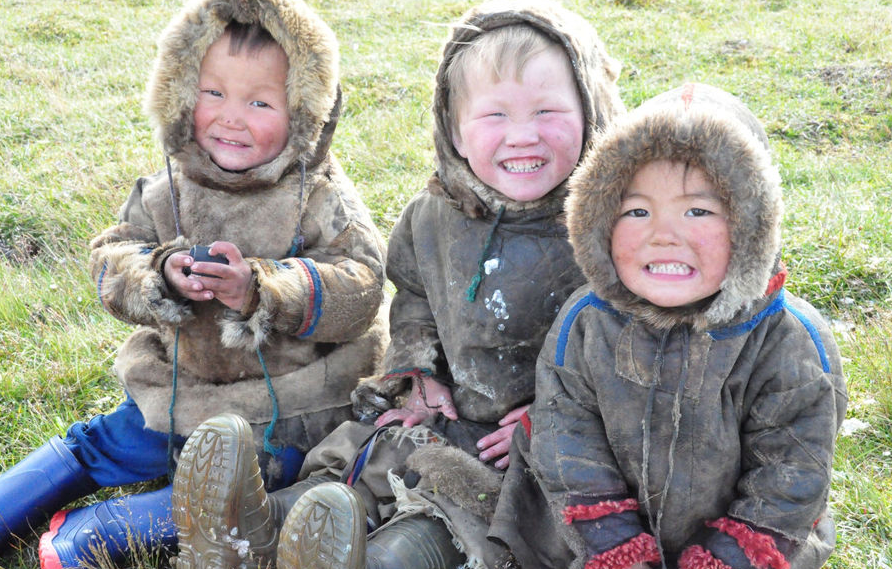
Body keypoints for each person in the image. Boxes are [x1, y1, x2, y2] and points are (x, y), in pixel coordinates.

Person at [170, 1, 626, 568]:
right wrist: (418, 370)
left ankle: (368, 559)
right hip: (438, 420)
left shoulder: (609, 231)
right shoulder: (433, 216)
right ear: (454, 130)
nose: (522, 136)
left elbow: (624, 350)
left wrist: (554, 419)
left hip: (519, 455)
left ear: (591, 110)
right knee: (343, 488)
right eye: (495, 117)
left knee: (429, 531)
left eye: (546, 111)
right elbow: (414, 300)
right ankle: (243, 535)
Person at [0, 0, 388, 567]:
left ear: (306, 112)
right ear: (181, 94)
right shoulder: (166, 190)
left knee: (243, 490)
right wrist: (157, 274)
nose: (231, 117)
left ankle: (97, 532)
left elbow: (362, 286)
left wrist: (266, 289)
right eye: (213, 94)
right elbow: (113, 253)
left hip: (279, 412)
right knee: (98, 443)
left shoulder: (321, 199)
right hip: (176, 395)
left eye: (259, 101)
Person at [489, 83, 849, 569]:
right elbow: (566, 437)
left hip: (749, 548)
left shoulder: (789, 339)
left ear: (751, 225)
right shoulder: (585, 321)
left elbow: (791, 476)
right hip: (600, 543)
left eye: (698, 210)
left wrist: (723, 559)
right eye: (636, 211)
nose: (663, 235)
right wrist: (616, 547)